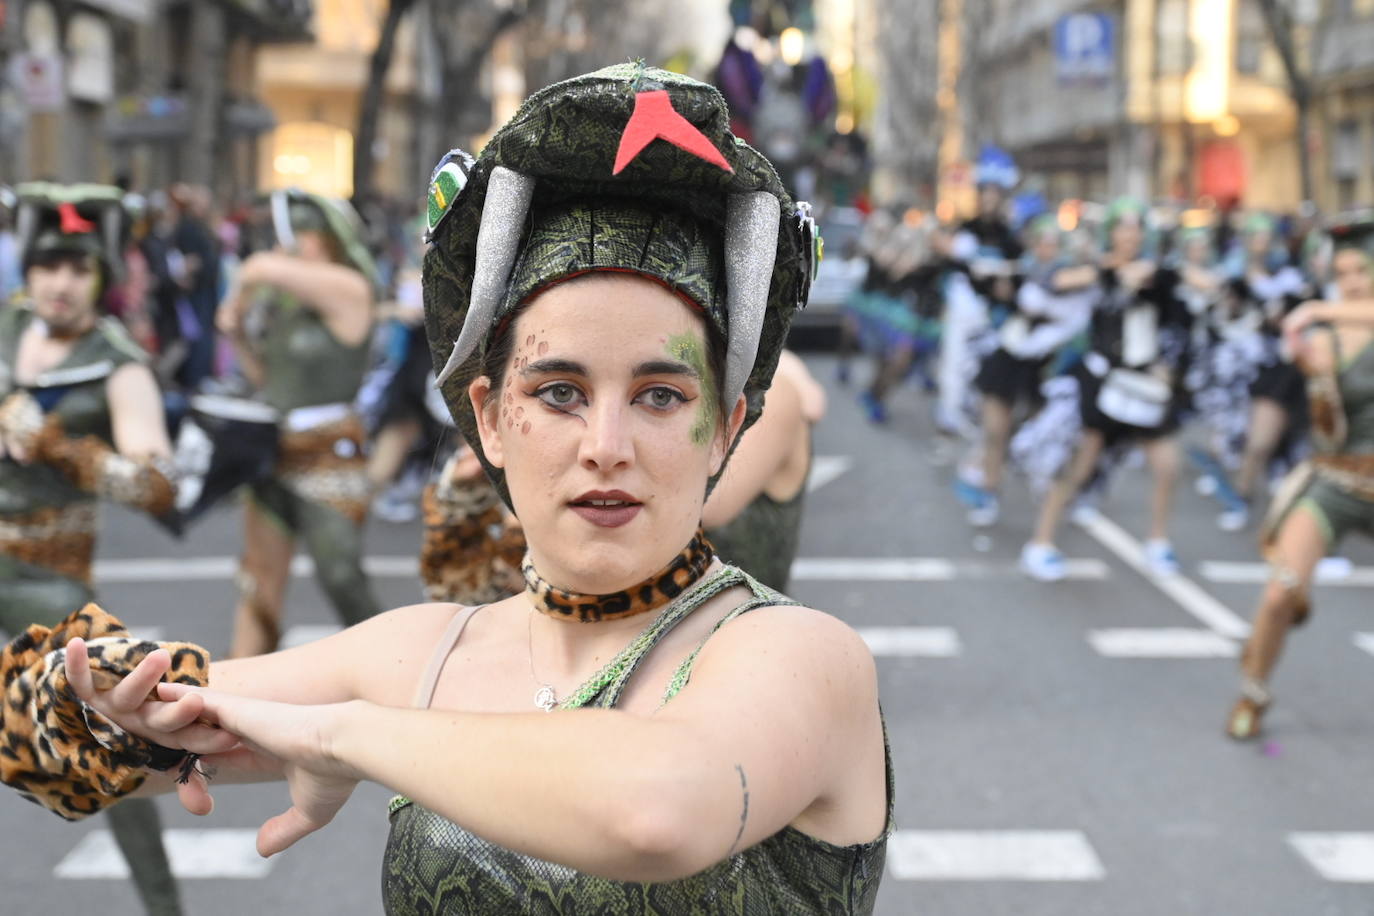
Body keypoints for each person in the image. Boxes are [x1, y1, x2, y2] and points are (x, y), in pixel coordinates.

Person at [57, 65, 890, 914]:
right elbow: (70, 732)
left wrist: (338, 733)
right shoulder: (428, 654)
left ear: (725, 425)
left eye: (661, 396)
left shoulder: (800, 658)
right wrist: (91, 713)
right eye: (559, 392)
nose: (606, 448)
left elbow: (656, 815)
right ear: (490, 420)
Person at [0, 184, 183, 915]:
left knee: (111, 738)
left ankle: (165, 907)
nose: (60, 283)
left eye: (77, 268)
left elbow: (156, 485)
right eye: (48, 266)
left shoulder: (116, 361)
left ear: (101, 276)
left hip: (48, 578)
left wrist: (57, 447)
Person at [1225, 215, 1374, 740]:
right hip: (1340, 479)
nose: (1353, 281)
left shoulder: (1325, 316)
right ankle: (1252, 691)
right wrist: (1312, 365)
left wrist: (1312, 308)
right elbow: (1327, 426)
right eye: (1344, 272)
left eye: (1363, 269)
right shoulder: (1327, 342)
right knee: (1279, 593)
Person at [215, 189, 382, 657]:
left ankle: (388, 666)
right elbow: (266, 378)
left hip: (329, 452)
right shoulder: (288, 306)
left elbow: (256, 268)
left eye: (309, 236)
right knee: (259, 580)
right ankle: (239, 687)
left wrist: (252, 279)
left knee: (340, 572)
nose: (299, 246)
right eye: (295, 236)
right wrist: (237, 333)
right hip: (274, 448)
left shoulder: (351, 289)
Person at [1021, 198, 1191, 581]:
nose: (1130, 235)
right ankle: (1041, 541)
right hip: (1102, 381)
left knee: (1168, 465)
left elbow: (1192, 289)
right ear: (1111, 233)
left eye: (1136, 228)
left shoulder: (1159, 276)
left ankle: (1158, 541)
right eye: (1123, 227)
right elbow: (1053, 281)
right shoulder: (1095, 272)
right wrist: (1105, 271)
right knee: (1081, 462)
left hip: (1144, 381)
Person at [956, 214, 1095, 527]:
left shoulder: (1073, 278)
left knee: (1039, 437)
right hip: (1008, 358)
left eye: (1053, 243)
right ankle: (989, 491)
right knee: (995, 430)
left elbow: (1071, 299)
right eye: (1042, 242)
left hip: (1045, 368)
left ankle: (1067, 494)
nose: (1047, 248)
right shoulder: (1021, 272)